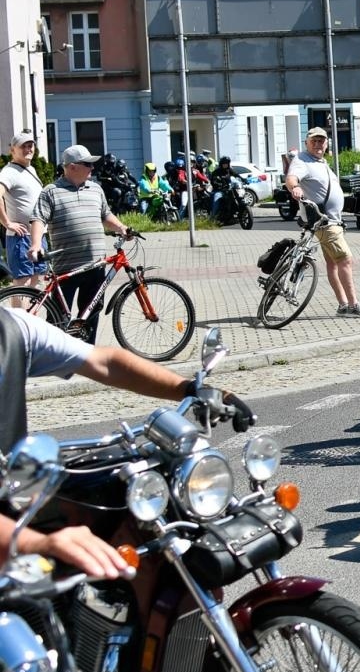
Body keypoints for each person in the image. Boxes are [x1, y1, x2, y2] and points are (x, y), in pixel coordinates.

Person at [0, 301, 254, 579]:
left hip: (17, 496)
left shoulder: (15, 328)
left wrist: (190, 389)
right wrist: (34, 544)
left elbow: (104, 361)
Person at [29, 145, 131, 342]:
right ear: (72, 167)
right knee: (58, 318)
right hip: (66, 265)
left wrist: (122, 227)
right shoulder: (51, 192)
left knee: (90, 313)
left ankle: (86, 353)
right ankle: (53, 354)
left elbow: (105, 214)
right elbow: (38, 219)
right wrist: (35, 244)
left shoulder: (95, 188)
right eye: (87, 164)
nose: (92, 168)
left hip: (95, 264)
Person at [284, 127, 360, 318]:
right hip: (324, 222)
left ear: (326, 143)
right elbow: (291, 178)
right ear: (306, 143)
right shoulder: (302, 160)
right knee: (345, 259)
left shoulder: (319, 161)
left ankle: (343, 305)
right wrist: (295, 188)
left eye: (321, 141)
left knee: (333, 264)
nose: (318, 144)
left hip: (331, 221)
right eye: (314, 141)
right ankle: (353, 305)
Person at [1, 132, 47, 299]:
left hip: (38, 236)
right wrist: (7, 223)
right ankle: (18, 323)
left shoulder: (31, 169)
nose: (28, 149)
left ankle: (30, 321)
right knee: (22, 284)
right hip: (20, 238)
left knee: (36, 281)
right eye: (23, 146)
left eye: (30, 145)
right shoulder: (9, 172)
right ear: (13, 150)